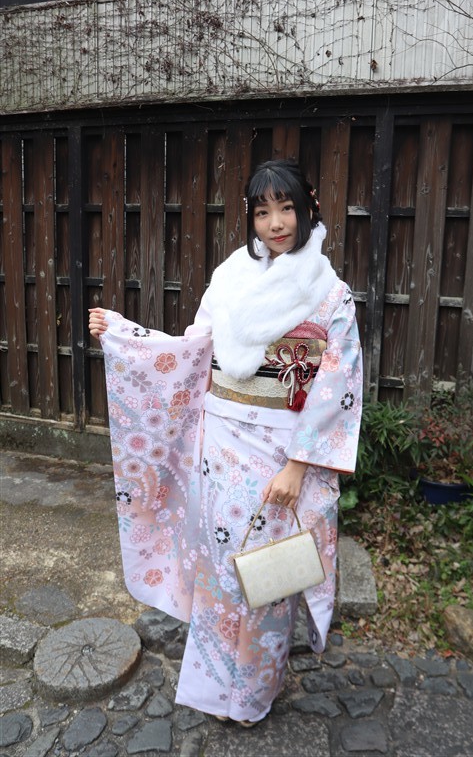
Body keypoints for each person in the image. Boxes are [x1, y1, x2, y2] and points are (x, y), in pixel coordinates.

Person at [89, 159, 363, 726]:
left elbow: (336, 384)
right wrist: (126, 335)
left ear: (308, 207)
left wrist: (298, 466)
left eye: (286, 208)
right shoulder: (231, 276)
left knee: (264, 576)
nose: (276, 223)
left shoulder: (330, 295)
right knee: (221, 570)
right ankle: (215, 690)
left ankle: (253, 694)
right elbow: (193, 352)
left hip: (281, 451)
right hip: (222, 443)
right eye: (262, 212)